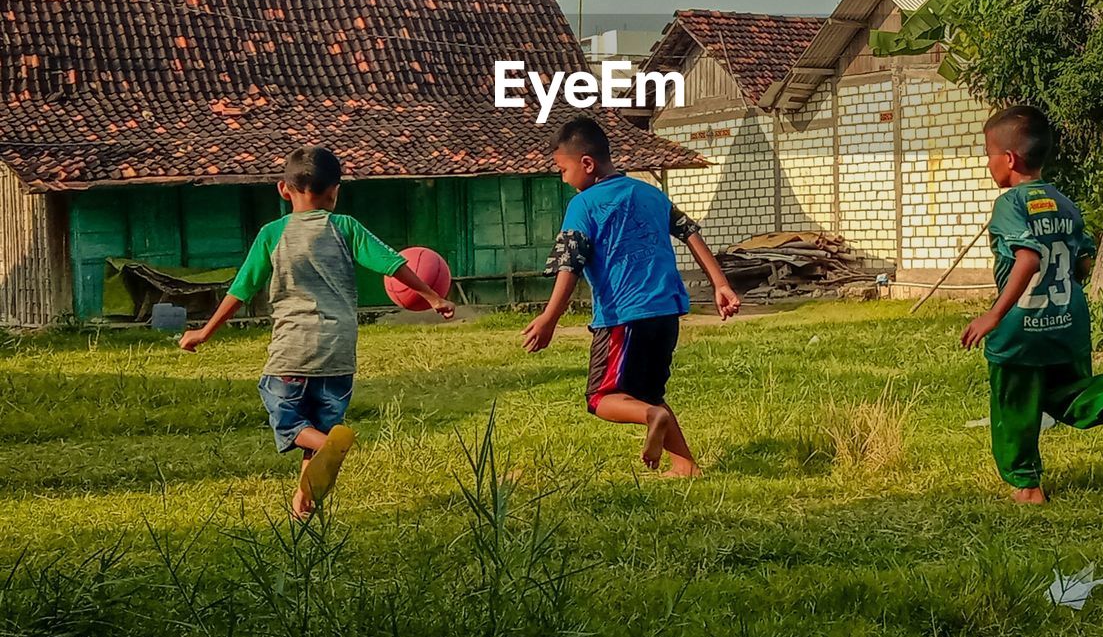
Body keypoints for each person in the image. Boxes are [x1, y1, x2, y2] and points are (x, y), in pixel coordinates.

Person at [180, 146, 454, 518]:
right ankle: (304, 504)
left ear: (283, 189)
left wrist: (204, 332)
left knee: (290, 420)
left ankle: (329, 445)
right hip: (339, 352)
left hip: (293, 350)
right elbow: (393, 264)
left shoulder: (272, 234)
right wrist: (433, 297)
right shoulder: (346, 228)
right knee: (318, 424)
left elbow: (241, 290)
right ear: (335, 191)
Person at [960, 105, 1103, 503]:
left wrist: (994, 314)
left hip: (1020, 331)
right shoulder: (1065, 204)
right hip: (1067, 324)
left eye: (988, 155)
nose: (988, 164)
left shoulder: (1010, 205)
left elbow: (1029, 258)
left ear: (1008, 159)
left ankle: (1027, 486)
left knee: (1016, 407)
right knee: (1064, 392)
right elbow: (1084, 262)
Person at [522, 116, 740, 476]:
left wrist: (550, 318)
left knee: (601, 398)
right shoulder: (650, 193)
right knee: (648, 392)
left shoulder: (584, 204)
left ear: (587, 164)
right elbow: (690, 232)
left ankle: (653, 419)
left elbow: (570, 264)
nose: (562, 178)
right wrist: (720, 283)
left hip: (624, 316)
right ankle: (685, 466)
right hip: (667, 311)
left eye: (563, 170)